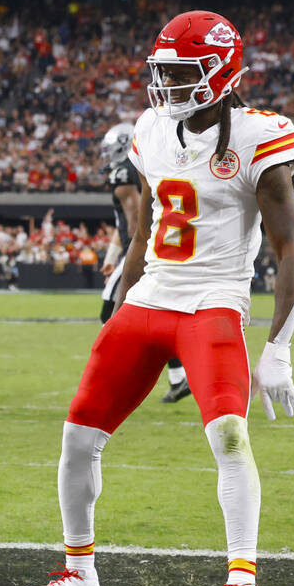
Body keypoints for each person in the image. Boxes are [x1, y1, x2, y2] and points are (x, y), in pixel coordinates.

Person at [17, 11, 294, 586]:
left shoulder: (260, 136)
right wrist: (120, 301)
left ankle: (240, 581)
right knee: (77, 436)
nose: (169, 85)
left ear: (222, 75)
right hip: (151, 297)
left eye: (183, 72)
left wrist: (278, 347)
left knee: (228, 435)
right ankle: (79, 571)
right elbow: (145, 225)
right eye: (164, 72)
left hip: (212, 303)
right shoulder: (152, 127)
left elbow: (291, 251)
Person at [97, 122, 191, 404]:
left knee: (109, 314)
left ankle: (119, 377)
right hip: (144, 249)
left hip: (141, 251)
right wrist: (111, 258)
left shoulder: (124, 173)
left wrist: (133, 258)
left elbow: (136, 222)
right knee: (152, 316)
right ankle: (177, 379)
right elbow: (123, 223)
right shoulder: (134, 168)